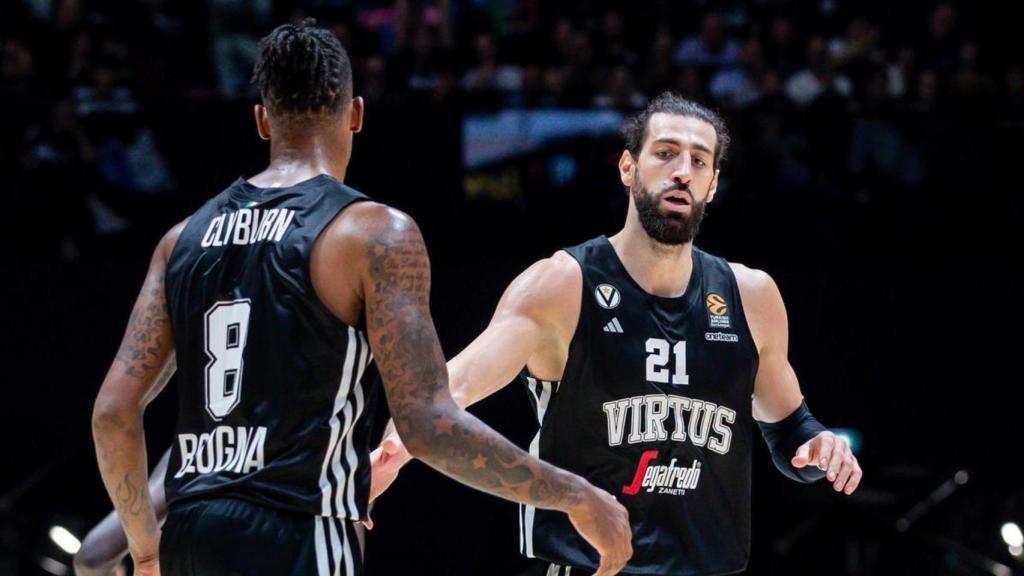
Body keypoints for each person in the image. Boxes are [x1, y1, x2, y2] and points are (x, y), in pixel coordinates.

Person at [90, 19, 631, 576]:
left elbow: (113, 413)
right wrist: (574, 494)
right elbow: (428, 424)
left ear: (261, 120)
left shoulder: (181, 240)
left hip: (190, 533)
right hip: (298, 531)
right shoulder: (373, 234)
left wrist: (147, 547)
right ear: (356, 114)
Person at [370, 92, 863, 575]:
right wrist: (394, 448)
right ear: (628, 168)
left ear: (712, 185)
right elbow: (448, 389)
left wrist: (821, 448)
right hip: (591, 568)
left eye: (699, 161)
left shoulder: (751, 296)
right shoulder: (562, 283)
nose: (682, 172)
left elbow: (791, 433)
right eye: (666, 153)